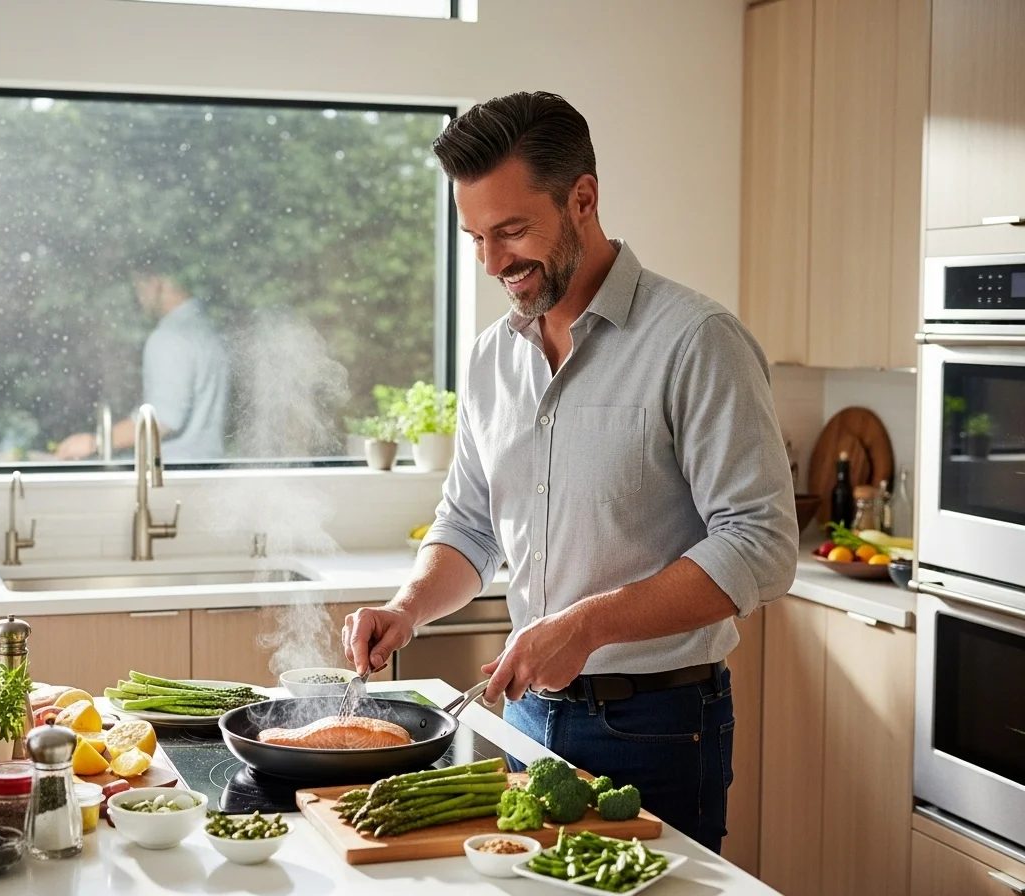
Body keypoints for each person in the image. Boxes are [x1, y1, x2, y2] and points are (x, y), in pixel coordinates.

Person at [342, 92, 798, 853]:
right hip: (523, 717)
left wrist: (587, 625)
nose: (491, 262)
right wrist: (409, 607)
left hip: (657, 726)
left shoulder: (695, 341)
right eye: (476, 237)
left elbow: (760, 545)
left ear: (583, 198)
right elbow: (470, 524)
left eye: (512, 231)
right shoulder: (492, 355)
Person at [56, 262, 229, 462]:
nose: (139, 300)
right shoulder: (209, 331)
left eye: (138, 288)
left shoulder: (169, 338)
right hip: (207, 474)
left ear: (155, 284)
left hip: (170, 478)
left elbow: (162, 419)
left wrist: (96, 442)